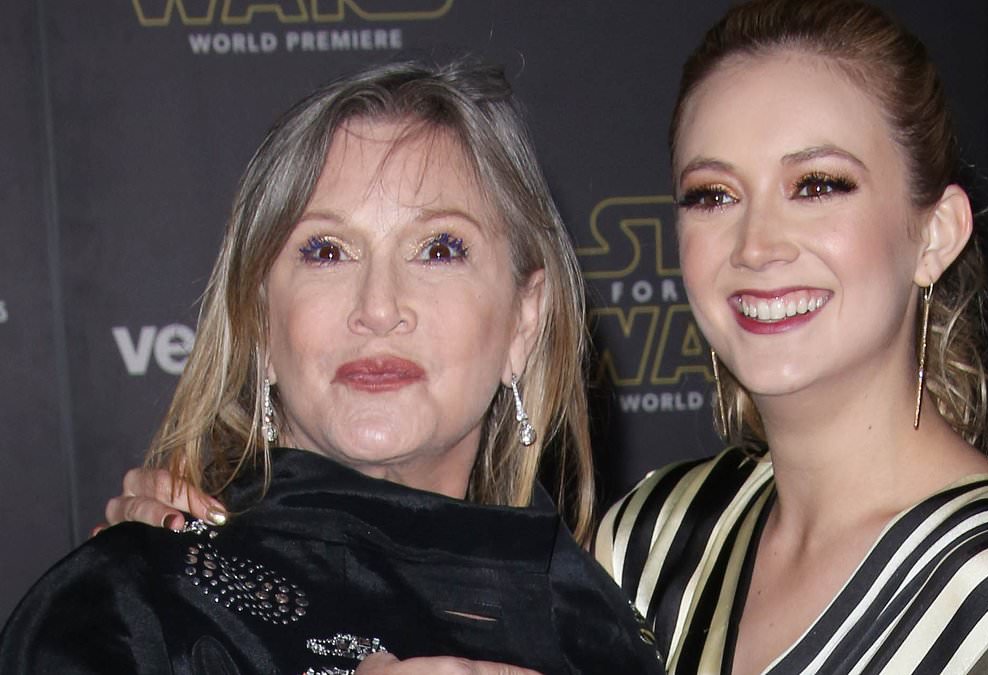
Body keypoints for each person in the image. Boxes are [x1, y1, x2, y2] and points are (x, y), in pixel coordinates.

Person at [97, 2, 988, 674]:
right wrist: (185, 567)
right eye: (713, 194)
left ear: (936, 232)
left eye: (819, 184)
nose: (758, 244)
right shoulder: (652, 541)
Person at [0, 60, 663, 675]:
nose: (378, 307)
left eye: (438, 248)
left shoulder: (595, 628)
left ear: (522, 319)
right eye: (326, 250)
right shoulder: (129, 611)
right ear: (259, 318)